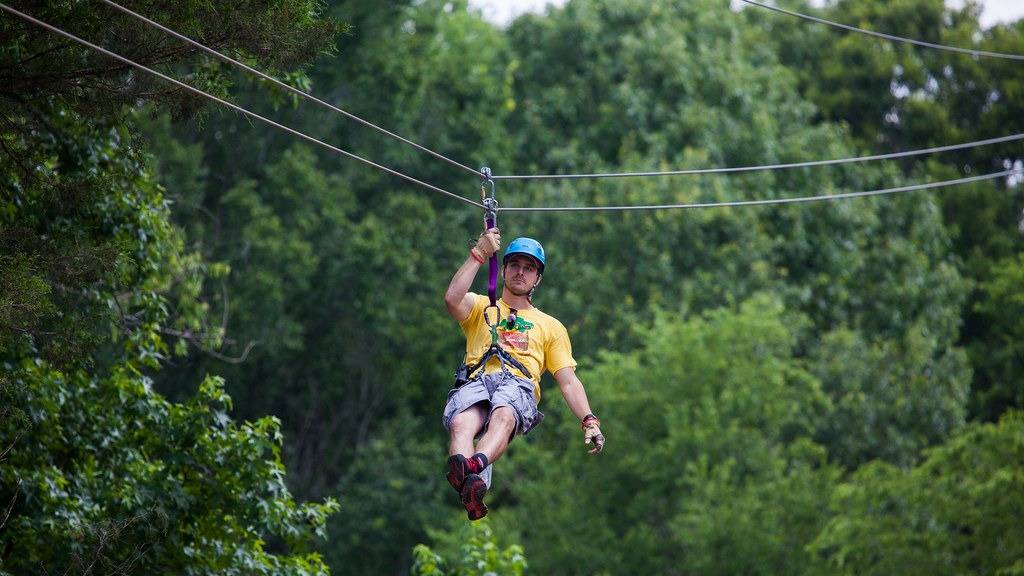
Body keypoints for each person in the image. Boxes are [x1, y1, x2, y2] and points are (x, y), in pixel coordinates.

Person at [442, 227, 605, 520]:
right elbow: (452, 299)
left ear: (537, 279)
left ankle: (474, 466)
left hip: (517, 384)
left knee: (504, 415)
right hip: (478, 377)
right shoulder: (482, 306)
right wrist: (479, 253)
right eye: (515, 265)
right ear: (503, 270)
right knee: (460, 422)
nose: (520, 272)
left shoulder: (550, 326)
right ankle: (467, 481)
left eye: (529, 268)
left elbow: (568, 380)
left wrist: (588, 420)